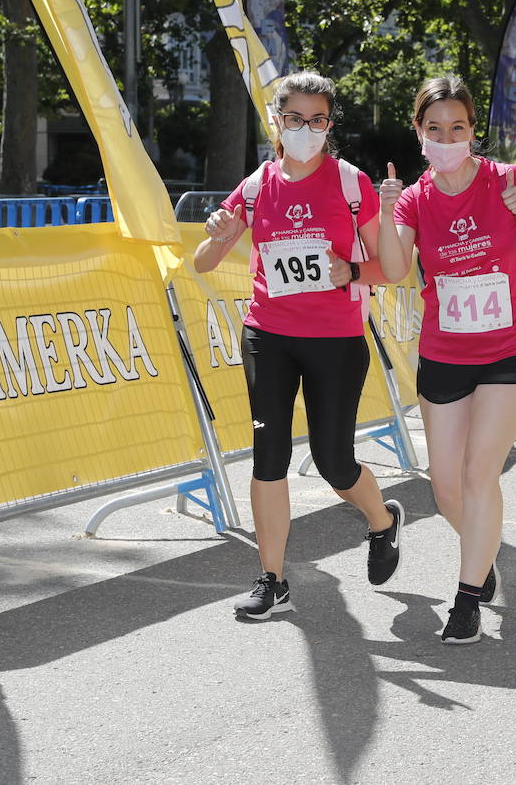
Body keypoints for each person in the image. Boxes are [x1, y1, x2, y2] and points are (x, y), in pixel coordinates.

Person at [193, 70, 403, 620]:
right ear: (276, 122)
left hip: (336, 339)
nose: (306, 129)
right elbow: (202, 263)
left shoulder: (353, 184)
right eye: (295, 119)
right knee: (270, 459)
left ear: (329, 125)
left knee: (335, 463)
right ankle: (272, 579)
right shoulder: (257, 185)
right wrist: (216, 237)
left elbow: (391, 266)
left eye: (317, 120)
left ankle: (382, 521)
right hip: (269, 335)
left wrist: (349, 269)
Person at [378, 75, 516, 644]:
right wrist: (385, 214)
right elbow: (392, 268)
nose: (447, 136)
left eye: (458, 127)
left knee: (480, 472)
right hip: (445, 352)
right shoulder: (412, 197)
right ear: (420, 133)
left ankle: (467, 597)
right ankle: (484, 555)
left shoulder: (509, 179)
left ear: (472, 132)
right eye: (435, 128)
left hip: (512, 349)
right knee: (445, 488)